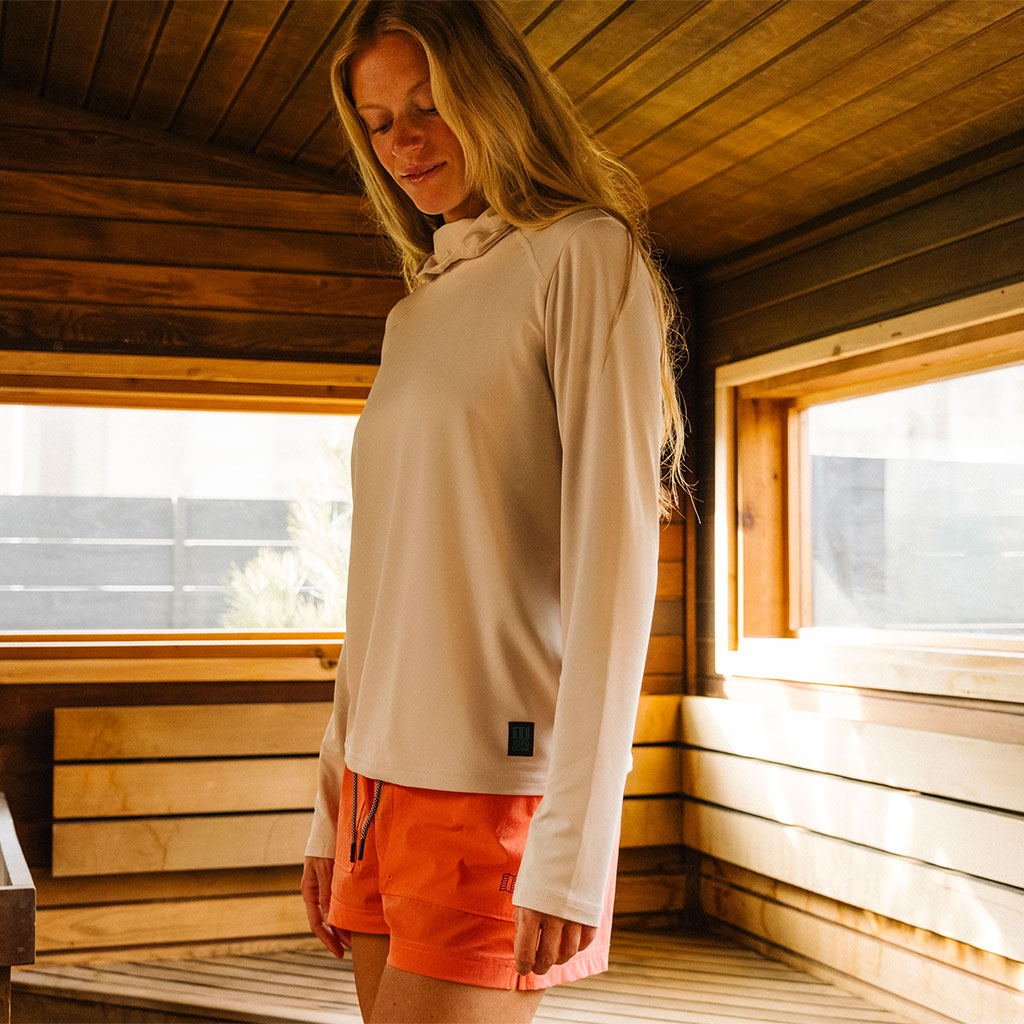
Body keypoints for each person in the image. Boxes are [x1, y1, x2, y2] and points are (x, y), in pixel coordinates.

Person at [300, 3, 686, 1022]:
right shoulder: (414, 311)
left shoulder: (583, 255)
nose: (405, 142)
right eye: (379, 122)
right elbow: (378, 581)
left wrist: (576, 840)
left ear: (495, 97)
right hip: (376, 788)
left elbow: (615, 563)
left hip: (493, 785)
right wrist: (331, 802)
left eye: (429, 105)